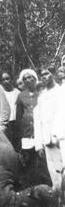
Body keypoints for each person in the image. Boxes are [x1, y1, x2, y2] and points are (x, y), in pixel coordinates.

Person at [34, 66, 64, 194]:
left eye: (46, 74)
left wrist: (58, 135)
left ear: (52, 75)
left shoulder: (61, 91)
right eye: (41, 76)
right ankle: (59, 202)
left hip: (61, 137)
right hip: (47, 140)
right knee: (53, 171)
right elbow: (38, 120)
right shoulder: (41, 97)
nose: (44, 77)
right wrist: (39, 144)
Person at [0, 72, 20, 149]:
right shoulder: (1, 93)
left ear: (11, 79)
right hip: (5, 124)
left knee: (17, 145)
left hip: (16, 123)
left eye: (7, 79)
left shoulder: (17, 93)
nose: (6, 81)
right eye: (3, 79)